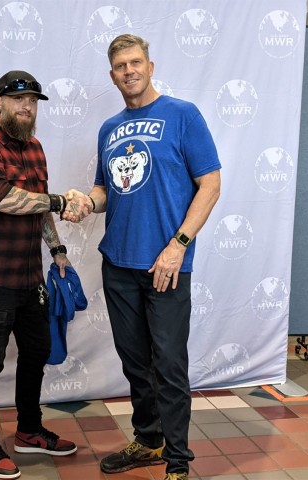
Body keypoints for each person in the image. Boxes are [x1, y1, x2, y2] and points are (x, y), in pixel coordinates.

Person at [65, 34, 221, 480]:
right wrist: (83, 203)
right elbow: (105, 190)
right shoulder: (109, 128)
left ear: (151, 66)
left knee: (169, 365)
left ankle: (177, 463)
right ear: (111, 75)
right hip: (119, 263)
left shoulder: (183, 115)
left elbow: (210, 184)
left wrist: (179, 245)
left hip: (166, 265)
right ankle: (150, 441)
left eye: (136, 62)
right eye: (120, 65)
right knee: (135, 362)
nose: (129, 70)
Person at [0, 70, 81, 480]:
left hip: (30, 277)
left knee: (37, 352)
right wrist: (62, 200)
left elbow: (39, 206)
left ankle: (28, 429)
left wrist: (57, 250)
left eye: (33, 102)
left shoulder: (35, 147)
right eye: (18, 100)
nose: (27, 108)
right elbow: (4, 199)